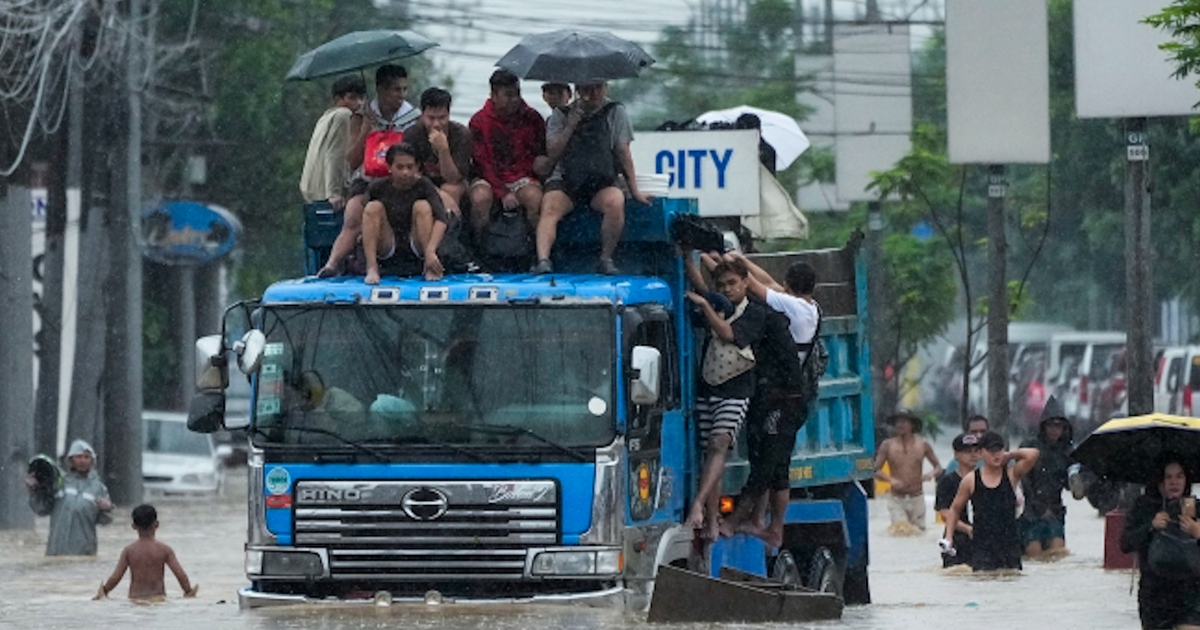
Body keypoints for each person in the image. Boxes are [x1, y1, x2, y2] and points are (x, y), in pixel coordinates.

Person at [719, 253, 818, 548]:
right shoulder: (809, 307)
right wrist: (742, 261)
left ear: (788, 286)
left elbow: (756, 287)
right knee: (778, 468)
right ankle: (767, 525)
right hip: (791, 396)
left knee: (767, 465)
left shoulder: (791, 307)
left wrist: (729, 264)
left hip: (783, 397)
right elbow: (768, 283)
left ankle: (739, 520)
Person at [683, 255, 768, 541]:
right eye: (722, 285)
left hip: (737, 389)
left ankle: (698, 504)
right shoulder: (719, 303)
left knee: (720, 443)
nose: (728, 289)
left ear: (746, 282)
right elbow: (702, 286)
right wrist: (687, 259)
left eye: (733, 283)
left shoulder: (755, 313)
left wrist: (706, 305)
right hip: (709, 386)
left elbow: (728, 333)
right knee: (711, 453)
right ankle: (711, 519)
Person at [533, 81, 651, 275]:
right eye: (588, 88)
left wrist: (634, 190)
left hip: (600, 180)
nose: (594, 93)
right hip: (567, 180)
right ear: (578, 91)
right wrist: (571, 124)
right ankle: (543, 259)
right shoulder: (560, 114)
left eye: (598, 87)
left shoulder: (615, 111)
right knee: (550, 206)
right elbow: (552, 151)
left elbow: (623, 151)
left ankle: (606, 258)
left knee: (615, 202)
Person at [319, 64, 420, 277]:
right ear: (381, 90)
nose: (401, 96)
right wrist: (367, 129)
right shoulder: (361, 116)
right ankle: (332, 263)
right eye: (395, 90)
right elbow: (352, 161)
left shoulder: (413, 118)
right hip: (369, 179)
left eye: (404, 90)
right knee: (354, 213)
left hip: (401, 180)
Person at [1121, 455, 1200, 630]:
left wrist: (1197, 531)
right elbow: (1125, 544)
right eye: (1168, 477)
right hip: (1155, 595)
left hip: (1192, 592)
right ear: (1160, 480)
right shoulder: (1144, 506)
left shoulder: (1196, 507)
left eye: (1179, 476)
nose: (1174, 482)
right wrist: (1151, 526)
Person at [942, 431, 1039, 571]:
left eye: (999, 450)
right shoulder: (971, 480)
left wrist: (1010, 455)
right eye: (991, 451)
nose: (997, 454)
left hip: (1009, 544)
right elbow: (955, 509)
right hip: (982, 546)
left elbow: (1033, 454)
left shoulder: (1011, 474)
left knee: (1012, 582)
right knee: (984, 582)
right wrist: (949, 537)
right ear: (981, 453)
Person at [468, 70, 546, 243]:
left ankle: (537, 250)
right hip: (489, 177)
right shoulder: (478, 121)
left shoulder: (533, 118)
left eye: (517, 94)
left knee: (535, 198)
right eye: (508, 95)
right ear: (494, 95)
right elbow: (482, 163)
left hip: (522, 176)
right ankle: (478, 250)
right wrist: (502, 192)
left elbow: (539, 153)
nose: (515, 100)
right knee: (480, 198)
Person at [360, 143, 453, 284]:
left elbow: (442, 219)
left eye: (410, 167)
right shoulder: (377, 187)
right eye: (400, 167)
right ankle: (372, 268)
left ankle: (429, 267)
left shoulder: (424, 185)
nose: (405, 172)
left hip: (417, 242)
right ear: (389, 167)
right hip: (389, 243)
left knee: (422, 206)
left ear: (417, 167)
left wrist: (431, 251)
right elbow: (365, 217)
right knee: (373, 207)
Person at [25, 439, 112, 556]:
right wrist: (34, 491)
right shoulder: (59, 483)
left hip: (84, 552)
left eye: (86, 457)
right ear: (71, 459)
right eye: (78, 457)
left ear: (92, 460)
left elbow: (105, 521)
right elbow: (42, 510)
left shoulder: (98, 488)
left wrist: (107, 509)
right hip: (56, 550)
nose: (82, 461)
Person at [94, 505, 198, 602]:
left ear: (133, 526)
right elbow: (180, 575)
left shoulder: (129, 551)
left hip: (135, 600)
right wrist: (188, 591)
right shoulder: (165, 550)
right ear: (157, 525)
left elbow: (115, 577)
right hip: (158, 599)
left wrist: (104, 591)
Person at [403, 87, 473, 216]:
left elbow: (454, 179)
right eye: (431, 118)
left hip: (455, 182)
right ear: (422, 115)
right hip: (422, 182)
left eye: (442, 118)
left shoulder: (461, 134)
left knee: (450, 189)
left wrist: (443, 150)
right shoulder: (412, 135)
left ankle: (450, 231)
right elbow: (412, 174)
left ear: (449, 114)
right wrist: (437, 192)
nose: (436, 124)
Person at [1019, 396, 1074, 559]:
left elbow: (1071, 485)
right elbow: (1023, 479)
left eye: (1059, 426)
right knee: (1034, 553)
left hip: (1055, 510)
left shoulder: (1067, 452)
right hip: (1032, 512)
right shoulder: (1030, 447)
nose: (1055, 430)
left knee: (1058, 553)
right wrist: (1038, 507)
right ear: (1044, 426)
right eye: (1051, 425)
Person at [299, 75, 366, 208]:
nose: (359, 103)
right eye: (352, 98)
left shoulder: (326, 117)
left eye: (361, 98)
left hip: (311, 190)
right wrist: (333, 193)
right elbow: (335, 154)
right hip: (326, 193)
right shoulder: (343, 115)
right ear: (338, 99)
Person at [874, 410, 942, 533]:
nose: (900, 425)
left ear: (912, 425)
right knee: (900, 531)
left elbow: (938, 467)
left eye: (904, 421)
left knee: (919, 533)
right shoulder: (887, 445)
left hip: (917, 497)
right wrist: (890, 480)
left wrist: (930, 474)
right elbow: (875, 470)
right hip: (896, 499)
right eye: (898, 422)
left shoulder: (923, 445)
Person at [936, 433, 980, 568]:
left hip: (980, 539)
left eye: (976, 451)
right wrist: (967, 528)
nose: (972, 455)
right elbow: (944, 513)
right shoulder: (947, 481)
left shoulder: (985, 479)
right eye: (967, 451)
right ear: (956, 455)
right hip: (956, 539)